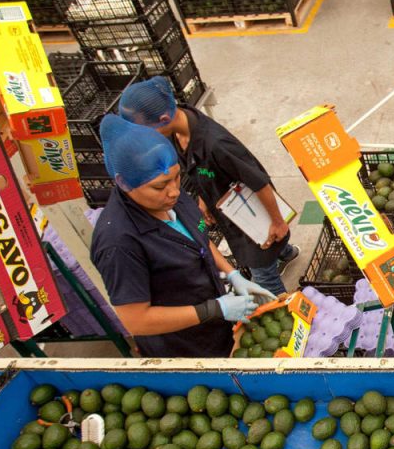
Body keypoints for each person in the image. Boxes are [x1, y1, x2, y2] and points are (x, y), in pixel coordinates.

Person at [89, 114, 276, 358]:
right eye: (160, 185)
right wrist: (213, 309)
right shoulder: (118, 243)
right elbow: (136, 321)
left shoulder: (172, 198)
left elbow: (198, 239)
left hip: (217, 324)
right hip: (184, 347)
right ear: (124, 183)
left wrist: (231, 273)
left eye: (177, 177)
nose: (174, 190)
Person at [118, 77, 298, 298]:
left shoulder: (216, 144)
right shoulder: (178, 132)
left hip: (252, 213)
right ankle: (287, 253)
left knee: (264, 277)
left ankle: (290, 312)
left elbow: (259, 182)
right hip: (229, 211)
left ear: (164, 118)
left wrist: (278, 221)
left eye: (146, 130)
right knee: (266, 248)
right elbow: (202, 172)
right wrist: (204, 199)